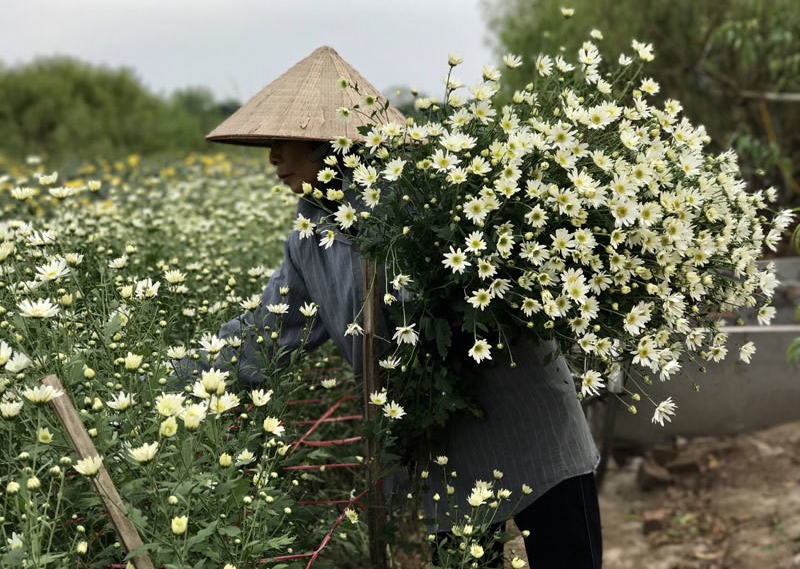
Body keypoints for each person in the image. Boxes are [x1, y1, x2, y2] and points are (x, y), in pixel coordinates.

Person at [202, 46, 602, 567]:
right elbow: (267, 330)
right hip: (447, 449)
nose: (273, 159)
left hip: (529, 421)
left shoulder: (421, 201)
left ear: (328, 144)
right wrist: (185, 378)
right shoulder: (308, 240)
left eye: (283, 143)